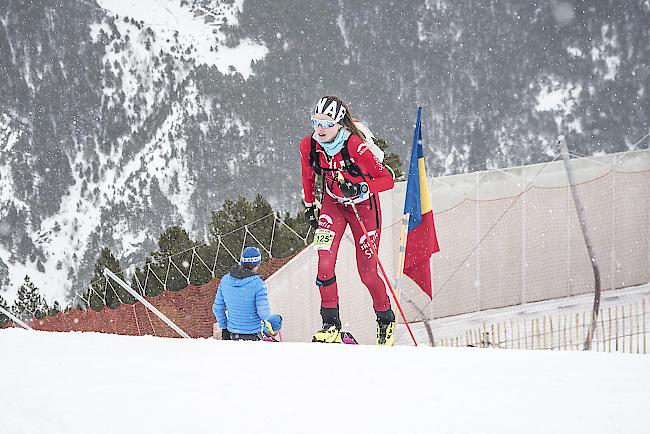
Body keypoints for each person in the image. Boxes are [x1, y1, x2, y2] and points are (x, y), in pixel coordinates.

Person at [299, 95, 396, 345]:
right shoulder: (309, 145)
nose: (320, 129)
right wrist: (310, 204)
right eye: (316, 122)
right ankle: (330, 323)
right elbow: (308, 175)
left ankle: (385, 319)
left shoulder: (355, 146)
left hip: (364, 210)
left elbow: (387, 179)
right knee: (324, 260)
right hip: (333, 205)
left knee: (367, 273)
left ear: (340, 124)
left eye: (326, 124)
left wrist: (361, 187)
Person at [212, 246, 275, 341]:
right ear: (257, 264)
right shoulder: (258, 284)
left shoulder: (225, 280)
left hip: (233, 335)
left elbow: (217, 308)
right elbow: (263, 313)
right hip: (253, 336)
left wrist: (224, 328)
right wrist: (269, 321)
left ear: (241, 261)